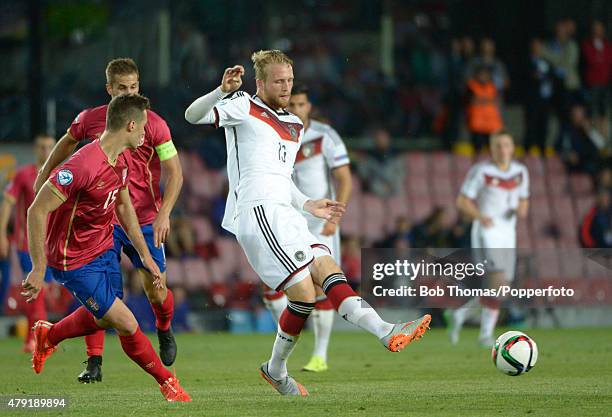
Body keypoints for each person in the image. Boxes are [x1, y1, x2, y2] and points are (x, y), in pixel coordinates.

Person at [185, 50, 430, 396]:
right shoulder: (242, 106)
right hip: (257, 211)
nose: (285, 87)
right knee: (303, 293)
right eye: (278, 81)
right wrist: (220, 91)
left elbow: (281, 176)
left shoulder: (295, 124)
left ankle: (382, 332)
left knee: (326, 272)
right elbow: (192, 115)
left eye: (289, 80)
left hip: (285, 211)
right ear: (261, 82)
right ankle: (278, 368)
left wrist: (306, 203)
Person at [21, 94, 191, 402]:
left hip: (102, 246)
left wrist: (144, 256)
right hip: (72, 260)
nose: (146, 133)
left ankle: (50, 335)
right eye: (142, 128)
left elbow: (125, 209)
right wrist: (38, 266)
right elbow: (36, 210)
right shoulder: (82, 165)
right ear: (129, 126)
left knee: (106, 317)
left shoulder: (123, 158)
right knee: (126, 321)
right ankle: (169, 384)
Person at [260, 83, 353, 373]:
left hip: (318, 221)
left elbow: (344, 178)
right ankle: (287, 340)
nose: (297, 110)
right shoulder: (275, 130)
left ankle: (320, 356)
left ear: (309, 106)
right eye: (292, 106)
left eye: (302, 105)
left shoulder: (325, 136)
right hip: (283, 217)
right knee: (273, 284)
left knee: (321, 286)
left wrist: (335, 217)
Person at [451, 131, 529, 347]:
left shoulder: (520, 172)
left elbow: (524, 202)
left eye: (506, 145)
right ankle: (485, 335)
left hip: (507, 232)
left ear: (512, 148)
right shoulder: (482, 171)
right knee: (497, 280)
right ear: (491, 149)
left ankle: (461, 314)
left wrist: (520, 210)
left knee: (501, 288)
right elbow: (462, 201)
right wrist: (479, 216)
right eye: (498, 146)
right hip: (487, 231)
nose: (502, 150)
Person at [0, 134, 56, 352]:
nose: (46, 151)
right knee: (37, 291)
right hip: (28, 245)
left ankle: (30, 340)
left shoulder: (61, 175)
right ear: (35, 149)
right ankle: (40, 340)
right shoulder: (23, 175)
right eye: (42, 147)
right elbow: (8, 203)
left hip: (54, 245)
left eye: (50, 147)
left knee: (38, 292)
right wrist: (2, 233)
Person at [523, 38, 555, 155]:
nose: (537, 48)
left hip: (545, 100)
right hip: (532, 100)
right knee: (531, 126)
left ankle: (542, 150)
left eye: (539, 45)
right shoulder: (526, 62)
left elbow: (552, 76)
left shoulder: (546, 62)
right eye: (534, 45)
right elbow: (525, 78)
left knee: (543, 126)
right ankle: (527, 151)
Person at [581, 20, 611, 137]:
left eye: (599, 29)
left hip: (605, 82)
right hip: (592, 83)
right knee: (591, 110)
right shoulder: (587, 45)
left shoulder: (608, 45)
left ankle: (602, 136)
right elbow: (591, 61)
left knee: (603, 111)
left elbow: (608, 61)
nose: (597, 31)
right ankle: (592, 136)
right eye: (595, 29)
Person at [356, 127, 404, 198]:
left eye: (384, 138)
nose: (381, 140)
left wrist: (390, 184)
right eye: (379, 138)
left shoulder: (396, 156)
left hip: (393, 191)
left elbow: (400, 174)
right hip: (374, 191)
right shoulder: (368, 157)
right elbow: (364, 175)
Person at [465, 66, 503, 152]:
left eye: (486, 75)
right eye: (481, 74)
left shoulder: (493, 87)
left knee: (493, 150)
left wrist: (481, 100)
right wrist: (488, 100)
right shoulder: (471, 86)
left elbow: (498, 102)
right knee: (477, 150)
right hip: (477, 125)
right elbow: (470, 101)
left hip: (492, 125)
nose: (483, 77)